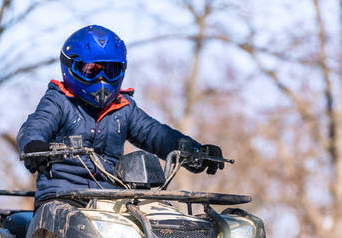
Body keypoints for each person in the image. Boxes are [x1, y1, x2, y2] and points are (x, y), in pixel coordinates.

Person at [16, 25, 223, 203]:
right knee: (69, 222)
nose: (102, 79)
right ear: (70, 67)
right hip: (61, 196)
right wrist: (33, 145)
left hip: (111, 200)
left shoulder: (124, 108)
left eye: (111, 70)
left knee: (157, 220)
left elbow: (156, 134)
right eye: (91, 70)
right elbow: (36, 125)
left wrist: (196, 152)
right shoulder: (60, 100)